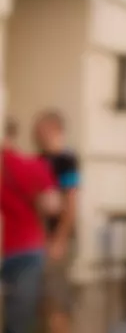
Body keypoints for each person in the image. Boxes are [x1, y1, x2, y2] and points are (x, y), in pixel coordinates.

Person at [1, 120, 60, 333]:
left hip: (8, 249)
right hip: (28, 249)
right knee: (19, 319)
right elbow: (53, 206)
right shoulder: (33, 166)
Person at [32, 110, 79, 333]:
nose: (37, 136)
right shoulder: (38, 161)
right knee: (42, 302)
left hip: (58, 239)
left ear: (55, 130)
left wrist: (60, 239)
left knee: (56, 300)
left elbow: (71, 202)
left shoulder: (66, 161)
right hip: (38, 240)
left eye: (42, 130)